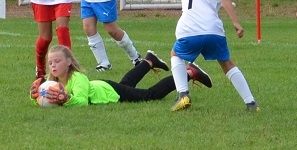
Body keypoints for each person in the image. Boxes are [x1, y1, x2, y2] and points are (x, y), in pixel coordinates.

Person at [168, 0, 259, 113]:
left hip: (188, 30)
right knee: (227, 63)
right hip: (213, 30)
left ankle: (183, 94)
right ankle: (251, 103)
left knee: (175, 54)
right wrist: (235, 22)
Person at [30, 45, 184, 106]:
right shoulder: (52, 81)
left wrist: (67, 99)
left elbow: (82, 102)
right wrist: (35, 95)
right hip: (104, 86)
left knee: (150, 95)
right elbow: (46, 98)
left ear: (69, 62)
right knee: (127, 83)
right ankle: (149, 61)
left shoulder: (78, 78)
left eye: (57, 61)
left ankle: (188, 73)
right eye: (50, 63)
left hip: (110, 91)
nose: (53, 65)